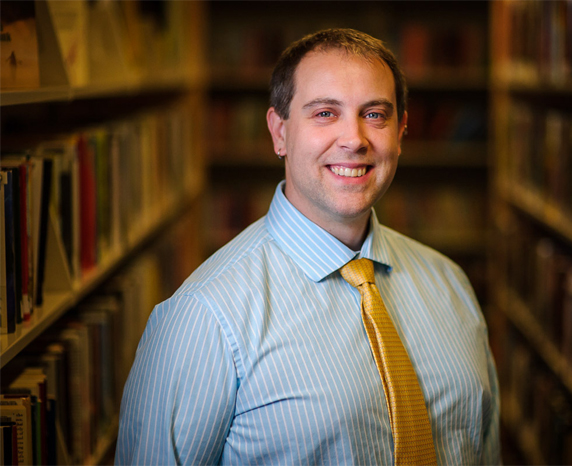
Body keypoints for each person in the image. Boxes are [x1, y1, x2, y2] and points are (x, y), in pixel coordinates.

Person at [116, 28, 501, 465]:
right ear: (279, 132)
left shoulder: (450, 284)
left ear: (401, 133)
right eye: (324, 114)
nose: (354, 139)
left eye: (374, 114)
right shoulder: (204, 316)